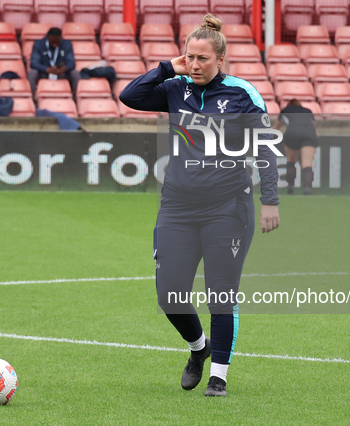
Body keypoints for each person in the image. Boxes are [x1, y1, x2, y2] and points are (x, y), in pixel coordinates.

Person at [119, 14, 280, 397]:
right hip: (177, 208)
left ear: (220, 60)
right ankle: (198, 349)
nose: (194, 65)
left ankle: (219, 376)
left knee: (220, 293)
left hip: (228, 209)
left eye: (202, 59)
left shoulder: (243, 94)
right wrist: (166, 67)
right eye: (189, 57)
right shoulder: (177, 88)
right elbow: (130, 97)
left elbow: (265, 150)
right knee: (169, 293)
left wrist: (269, 200)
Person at [273, 99, 319, 195]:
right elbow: (315, 129)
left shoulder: (285, 110)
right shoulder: (308, 111)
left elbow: (276, 128)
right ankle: (307, 191)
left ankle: (290, 190)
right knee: (307, 163)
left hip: (292, 133)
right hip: (309, 134)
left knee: (290, 160)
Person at [28, 27, 80, 95]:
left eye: (57, 42)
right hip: (44, 72)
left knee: (75, 73)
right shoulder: (39, 44)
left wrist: (64, 68)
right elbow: (34, 63)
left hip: (61, 73)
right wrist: (46, 69)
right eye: (53, 42)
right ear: (48, 37)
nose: (55, 44)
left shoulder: (66, 44)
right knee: (32, 73)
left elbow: (71, 62)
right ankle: (32, 97)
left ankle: (76, 97)